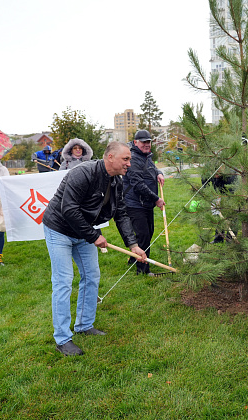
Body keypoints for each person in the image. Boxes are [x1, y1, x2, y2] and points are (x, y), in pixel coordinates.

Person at [42, 141, 147, 356]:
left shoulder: (117, 181)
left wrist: (133, 245)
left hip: (84, 230)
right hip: (59, 228)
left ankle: (84, 325)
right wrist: (93, 236)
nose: (129, 163)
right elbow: (69, 209)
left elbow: (121, 214)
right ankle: (62, 339)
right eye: (125, 159)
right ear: (110, 157)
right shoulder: (83, 173)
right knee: (63, 281)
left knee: (91, 276)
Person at [123, 130, 165, 275]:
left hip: (146, 204)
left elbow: (151, 168)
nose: (147, 144)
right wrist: (156, 199)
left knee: (148, 233)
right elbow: (138, 184)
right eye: (143, 142)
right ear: (136, 143)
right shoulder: (133, 159)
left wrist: (159, 172)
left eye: (148, 142)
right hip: (135, 204)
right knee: (144, 235)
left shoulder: (146, 157)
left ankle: (134, 257)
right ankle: (143, 270)